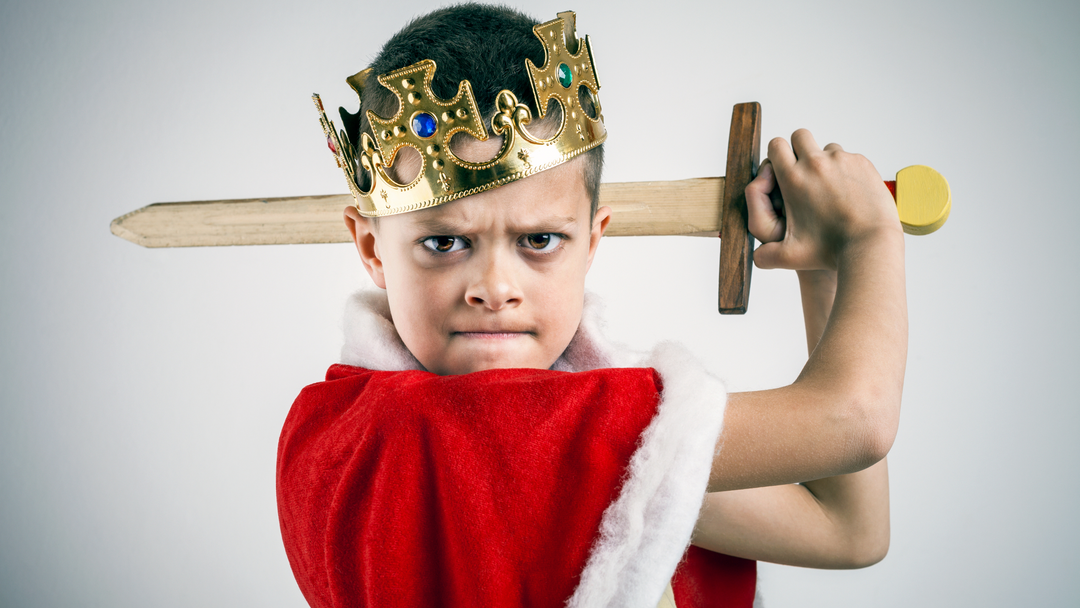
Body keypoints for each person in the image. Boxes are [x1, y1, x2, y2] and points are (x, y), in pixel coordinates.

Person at [277, 5, 905, 607]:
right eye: (444, 242)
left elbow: (845, 531)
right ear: (372, 248)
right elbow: (855, 424)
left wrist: (819, 269)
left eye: (540, 240)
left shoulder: (587, 451)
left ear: (592, 241)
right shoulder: (425, 432)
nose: (494, 288)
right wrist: (867, 241)